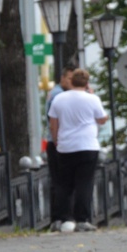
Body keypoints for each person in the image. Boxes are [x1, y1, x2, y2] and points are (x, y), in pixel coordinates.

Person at [47, 68, 108, 233]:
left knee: (63, 184)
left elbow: (53, 124)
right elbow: (102, 119)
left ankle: (62, 218)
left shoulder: (58, 99)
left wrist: (57, 141)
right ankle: (82, 219)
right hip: (87, 146)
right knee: (84, 183)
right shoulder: (92, 99)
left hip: (66, 146)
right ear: (87, 83)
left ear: (71, 81)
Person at [44, 65, 75, 231]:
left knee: (61, 181)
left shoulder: (59, 93)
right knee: (60, 182)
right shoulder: (58, 95)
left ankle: (62, 217)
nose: (71, 83)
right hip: (58, 143)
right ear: (62, 78)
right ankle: (60, 217)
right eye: (69, 79)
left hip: (59, 141)